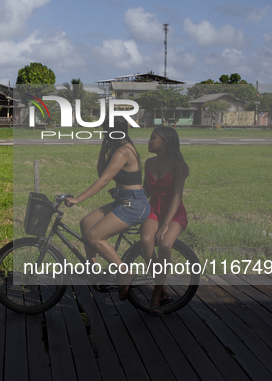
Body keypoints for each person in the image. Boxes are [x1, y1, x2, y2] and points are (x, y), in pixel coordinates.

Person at [65, 117, 150, 300]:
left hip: (134, 204)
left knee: (94, 236)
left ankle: (124, 272)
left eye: (106, 131)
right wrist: (103, 148)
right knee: (86, 222)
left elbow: (103, 181)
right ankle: (92, 270)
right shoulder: (116, 148)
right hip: (123, 201)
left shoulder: (123, 151)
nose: (104, 134)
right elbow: (101, 173)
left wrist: (78, 199)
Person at [140, 126, 189, 316]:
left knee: (165, 245)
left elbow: (177, 196)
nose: (149, 140)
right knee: (146, 241)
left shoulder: (178, 164)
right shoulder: (149, 163)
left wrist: (166, 224)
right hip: (153, 210)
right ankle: (161, 286)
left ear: (165, 142)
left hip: (174, 213)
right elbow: (146, 191)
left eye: (153, 138)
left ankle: (156, 294)